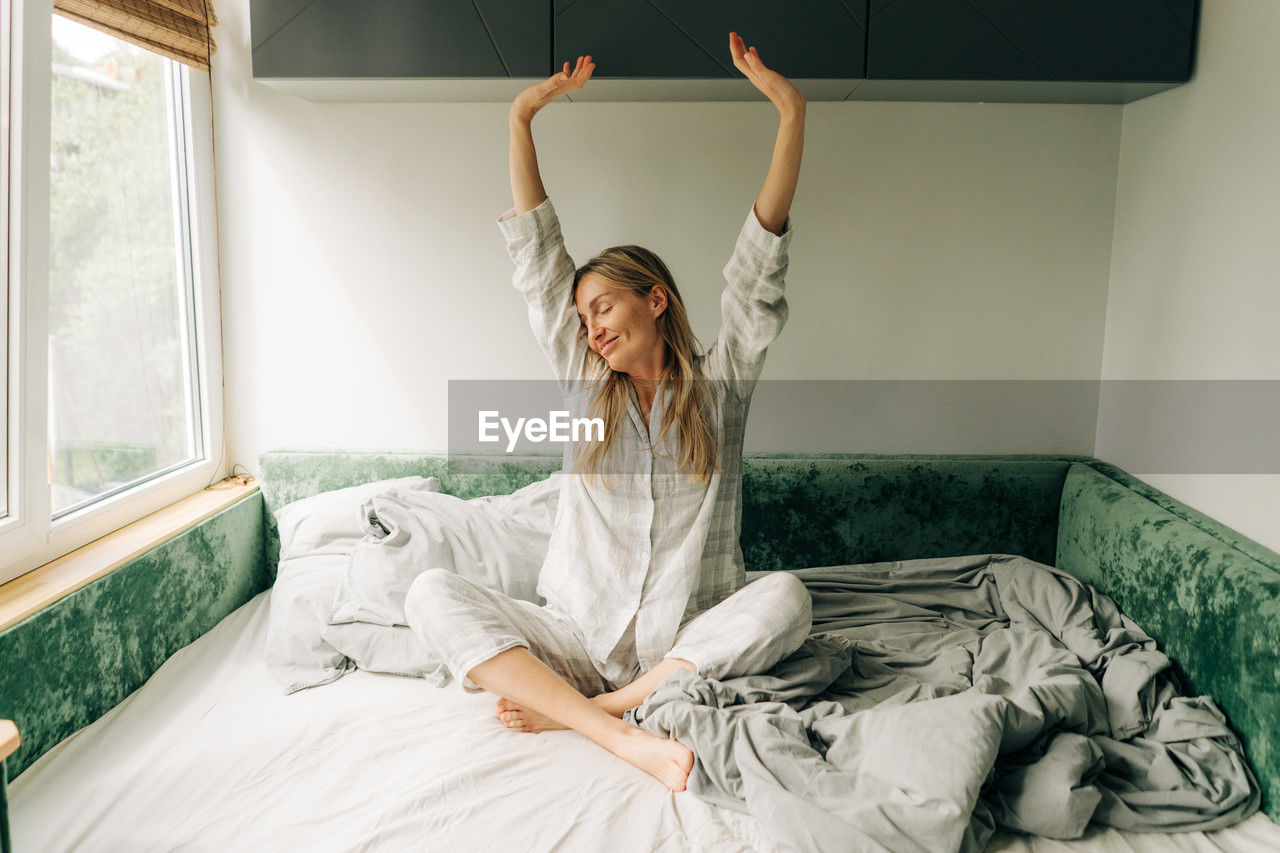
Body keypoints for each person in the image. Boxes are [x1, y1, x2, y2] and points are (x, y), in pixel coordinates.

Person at [405, 33, 810, 793]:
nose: (590, 326)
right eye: (584, 315)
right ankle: (612, 728)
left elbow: (757, 269)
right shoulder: (585, 385)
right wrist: (522, 119)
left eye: (605, 305)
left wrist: (790, 113)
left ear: (656, 299)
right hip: (573, 637)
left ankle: (602, 707)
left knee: (790, 598)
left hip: (680, 644)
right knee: (429, 591)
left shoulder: (721, 388)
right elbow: (537, 258)